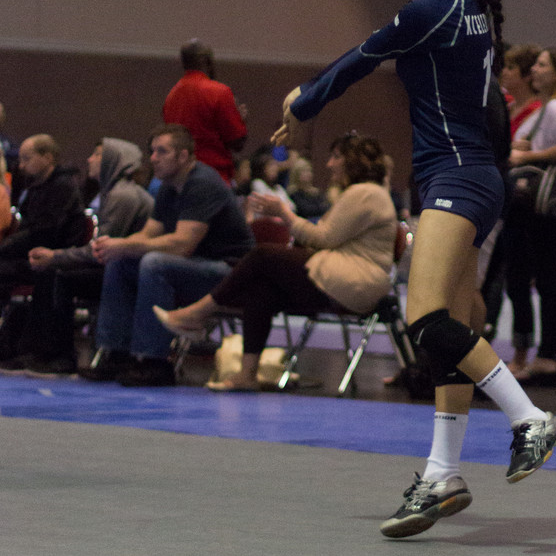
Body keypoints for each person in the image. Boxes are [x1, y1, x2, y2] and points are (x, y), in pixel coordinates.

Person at [254, 0, 556, 538]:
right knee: (456, 327)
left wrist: (302, 103)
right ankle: (442, 474)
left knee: (425, 319)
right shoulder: (474, 11)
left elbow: (359, 59)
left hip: (454, 180)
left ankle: (529, 418)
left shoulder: (432, 12)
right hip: (475, 179)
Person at [153, 134, 396, 391]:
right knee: (261, 289)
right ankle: (247, 374)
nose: (329, 164)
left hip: (355, 282)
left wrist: (283, 213)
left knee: (263, 256)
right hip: (349, 278)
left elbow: (322, 239)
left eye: (336, 157)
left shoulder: (364, 193)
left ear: (353, 161)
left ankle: (197, 313)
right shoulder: (367, 193)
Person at [79, 124, 254, 386]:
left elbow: (183, 244)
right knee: (121, 262)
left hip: (232, 274)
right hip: (199, 265)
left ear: (183, 156)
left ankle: (154, 362)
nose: (153, 158)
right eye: (152, 151)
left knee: (154, 264)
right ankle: (116, 355)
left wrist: (124, 246)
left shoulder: (202, 183)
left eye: (161, 152)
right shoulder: (168, 187)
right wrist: (115, 246)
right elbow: (148, 234)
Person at [15, 138, 154, 375]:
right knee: (52, 272)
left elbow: (100, 249)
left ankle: (62, 354)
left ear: (113, 161)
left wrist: (55, 256)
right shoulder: (116, 192)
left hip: (124, 270)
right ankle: (42, 350)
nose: (89, 159)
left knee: (59, 276)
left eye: (97, 154)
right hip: (119, 266)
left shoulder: (123, 196)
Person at [504, 48, 556, 385]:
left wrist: (528, 156)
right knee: (552, 283)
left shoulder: (555, 108)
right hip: (546, 212)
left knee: (551, 284)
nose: (534, 69)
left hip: (545, 210)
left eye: (542, 64)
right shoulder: (553, 107)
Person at [0, 135, 88, 365]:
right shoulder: (37, 187)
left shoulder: (63, 187)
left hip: (54, 256)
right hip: (33, 253)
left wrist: (5, 248)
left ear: (47, 157)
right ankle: (11, 344)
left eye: (27, 159)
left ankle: (26, 346)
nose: (21, 166)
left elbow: (44, 233)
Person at [483, 44, 543, 345]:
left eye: (510, 68)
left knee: (515, 278)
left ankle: (519, 348)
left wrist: (525, 153)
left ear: (525, 75)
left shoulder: (539, 111)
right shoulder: (508, 106)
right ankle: (484, 335)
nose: (504, 72)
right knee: (493, 274)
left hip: (523, 201)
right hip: (504, 195)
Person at [163, 38, 247, 183]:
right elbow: (237, 142)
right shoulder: (219, 92)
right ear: (207, 61)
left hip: (179, 177)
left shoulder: (171, 96)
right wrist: (239, 119)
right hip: (213, 176)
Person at [287, 156, 329, 220]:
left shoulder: (316, 192)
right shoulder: (293, 193)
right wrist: (319, 208)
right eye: (304, 171)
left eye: (309, 171)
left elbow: (326, 208)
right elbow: (306, 210)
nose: (308, 174)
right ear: (296, 174)